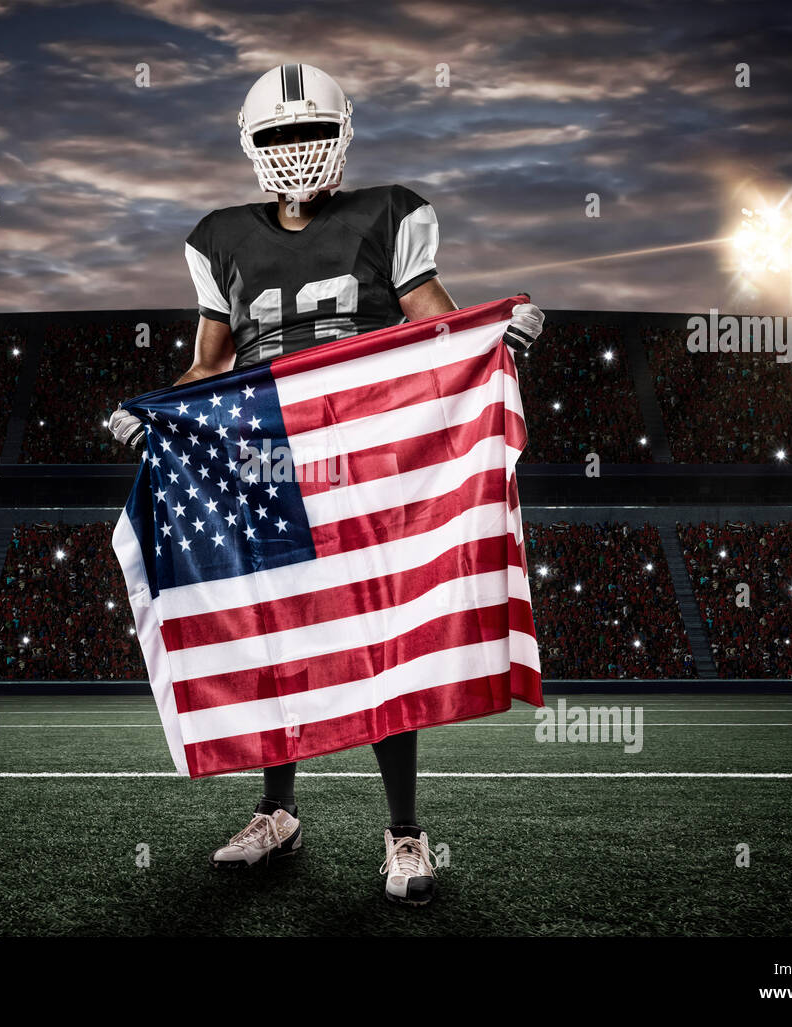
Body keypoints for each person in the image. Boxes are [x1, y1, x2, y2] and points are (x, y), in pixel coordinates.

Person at [109, 63, 545, 906]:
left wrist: (496, 331)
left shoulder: (389, 213)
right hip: (267, 456)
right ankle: (278, 811)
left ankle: (405, 830)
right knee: (277, 628)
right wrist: (156, 415)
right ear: (250, 145)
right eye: (280, 135)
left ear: (344, 136)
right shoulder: (220, 237)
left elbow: (434, 320)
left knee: (385, 635)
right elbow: (211, 361)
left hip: (368, 452)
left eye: (311, 133)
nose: (297, 152)